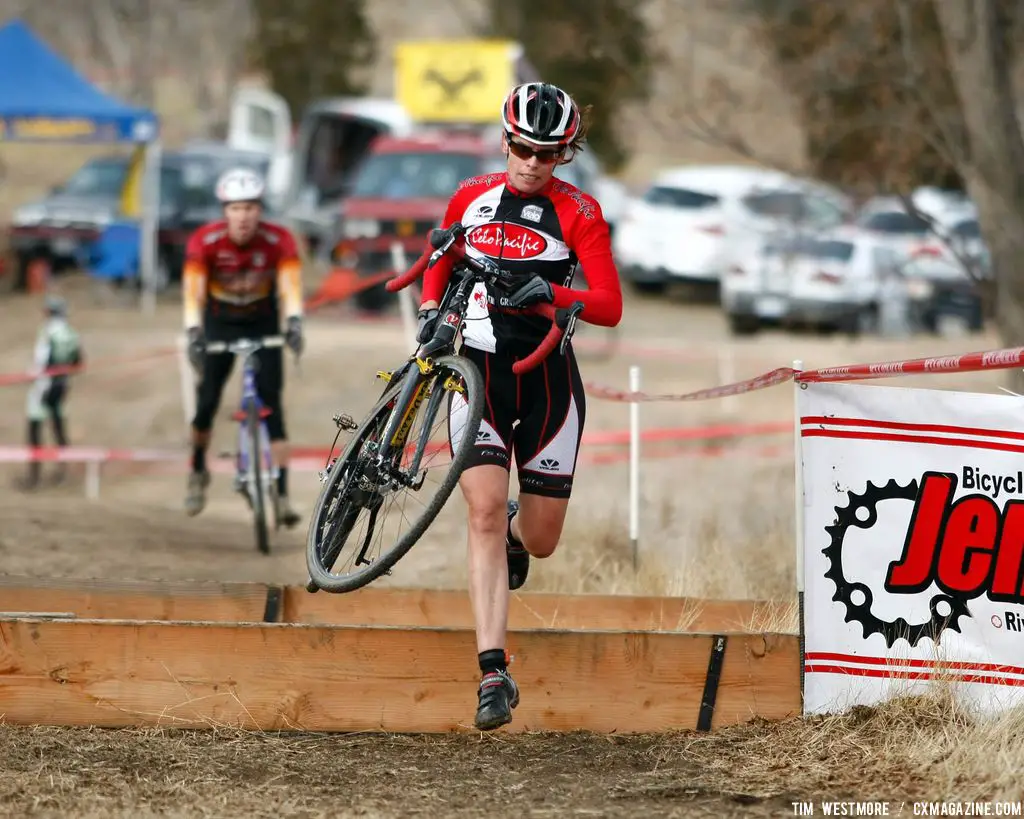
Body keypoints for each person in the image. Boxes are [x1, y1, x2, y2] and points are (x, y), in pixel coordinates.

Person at [415, 82, 623, 731]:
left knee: (541, 538)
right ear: (505, 140)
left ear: (565, 154)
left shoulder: (581, 212)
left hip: (548, 382)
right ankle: (493, 672)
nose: (532, 161)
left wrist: (558, 295)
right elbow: (439, 260)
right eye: (523, 147)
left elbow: (610, 305)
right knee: (478, 510)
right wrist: (429, 311)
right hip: (476, 371)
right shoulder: (470, 196)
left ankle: (515, 529)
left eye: (549, 152)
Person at [182, 167, 305, 526]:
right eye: (235, 208)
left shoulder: (279, 240)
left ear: (260, 210)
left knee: (274, 408)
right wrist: (193, 331)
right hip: (219, 322)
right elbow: (193, 291)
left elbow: (290, 287)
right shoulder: (204, 242)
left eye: (250, 207)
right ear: (224, 211)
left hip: (263, 321)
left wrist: (294, 322)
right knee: (206, 404)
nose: (243, 216)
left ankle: (281, 495)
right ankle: (197, 469)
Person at [19, 295, 83, 490]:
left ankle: (34, 476)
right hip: (61, 386)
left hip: (43, 386)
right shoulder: (72, 334)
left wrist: (32, 375)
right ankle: (63, 471)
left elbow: (41, 360)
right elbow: (78, 362)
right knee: (58, 428)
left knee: (35, 430)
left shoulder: (47, 332)